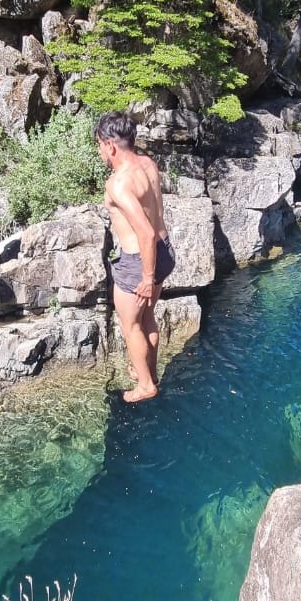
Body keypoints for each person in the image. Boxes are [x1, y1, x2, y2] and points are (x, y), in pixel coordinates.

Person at [95, 111, 175, 403]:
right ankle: (148, 371)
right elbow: (155, 223)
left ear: (110, 145)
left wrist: (146, 277)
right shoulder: (148, 164)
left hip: (139, 261)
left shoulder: (118, 183)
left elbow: (144, 233)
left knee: (130, 325)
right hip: (165, 252)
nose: (100, 152)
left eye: (100, 146)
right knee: (148, 315)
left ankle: (145, 386)